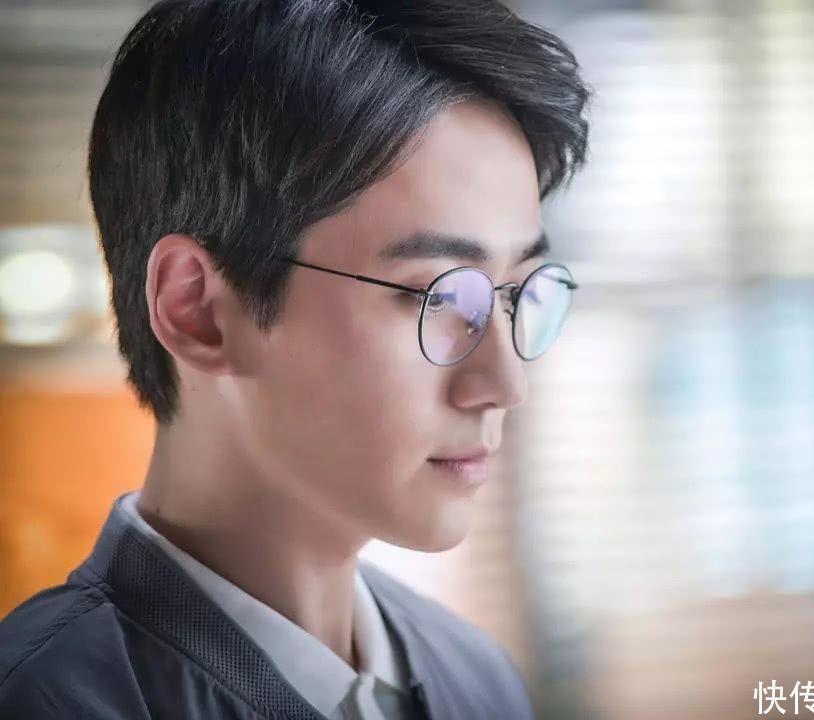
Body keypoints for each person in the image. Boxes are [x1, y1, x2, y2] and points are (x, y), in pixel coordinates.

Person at [0, 1, 590, 718]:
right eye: (436, 295)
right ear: (198, 309)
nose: (505, 383)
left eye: (514, 292)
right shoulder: (44, 699)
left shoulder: (475, 677)